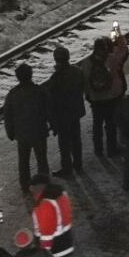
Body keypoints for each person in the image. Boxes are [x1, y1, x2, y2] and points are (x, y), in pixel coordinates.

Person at [4, 63, 51, 191]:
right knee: (42, 159)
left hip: (22, 133)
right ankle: (44, 185)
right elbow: (49, 109)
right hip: (39, 131)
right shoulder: (39, 91)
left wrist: (10, 132)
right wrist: (53, 125)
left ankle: (24, 184)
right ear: (31, 75)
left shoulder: (13, 93)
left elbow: (8, 115)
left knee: (23, 161)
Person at [80, 34, 129, 157]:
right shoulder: (112, 59)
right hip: (111, 98)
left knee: (97, 125)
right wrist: (119, 37)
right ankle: (111, 150)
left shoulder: (87, 62)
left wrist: (89, 95)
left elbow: (85, 82)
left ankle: (98, 150)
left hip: (95, 99)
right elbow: (123, 52)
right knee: (111, 125)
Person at [44, 46, 85, 178]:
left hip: (62, 114)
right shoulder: (77, 71)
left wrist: (51, 119)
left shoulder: (56, 77)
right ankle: (78, 163)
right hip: (75, 110)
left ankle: (67, 168)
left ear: (56, 60)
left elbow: (51, 98)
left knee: (64, 142)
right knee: (76, 138)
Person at [29, 175, 74, 257]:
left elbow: (47, 230)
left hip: (56, 246)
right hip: (66, 238)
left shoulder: (44, 204)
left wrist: (45, 251)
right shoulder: (59, 193)